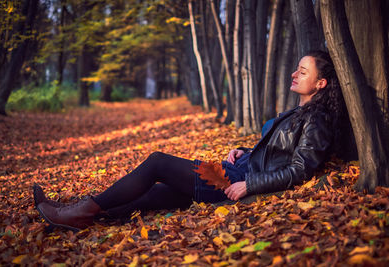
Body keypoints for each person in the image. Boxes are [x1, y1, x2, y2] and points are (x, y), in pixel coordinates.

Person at [34, 50, 348, 232]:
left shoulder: (317, 119)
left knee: (157, 162)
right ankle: (80, 215)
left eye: (303, 71)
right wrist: (247, 151)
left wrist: (251, 185)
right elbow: (278, 152)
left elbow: (300, 170)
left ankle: (79, 212)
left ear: (320, 83)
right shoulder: (302, 110)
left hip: (238, 181)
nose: (295, 73)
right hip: (240, 171)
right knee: (158, 194)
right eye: (296, 68)